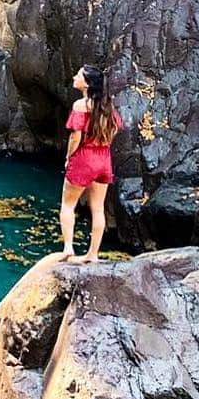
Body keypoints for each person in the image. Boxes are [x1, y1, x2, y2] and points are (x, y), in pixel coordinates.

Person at [58, 64, 121, 263]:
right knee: (98, 208)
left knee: (68, 205)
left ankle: (68, 248)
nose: (75, 76)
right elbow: (116, 127)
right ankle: (93, 254)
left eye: (79, 75)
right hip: (103, 158)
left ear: (87, 84)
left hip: (84, 157)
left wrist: (69, 157)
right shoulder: (107, 105)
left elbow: (75, 137)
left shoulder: (80, 105)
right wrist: (104, 143)